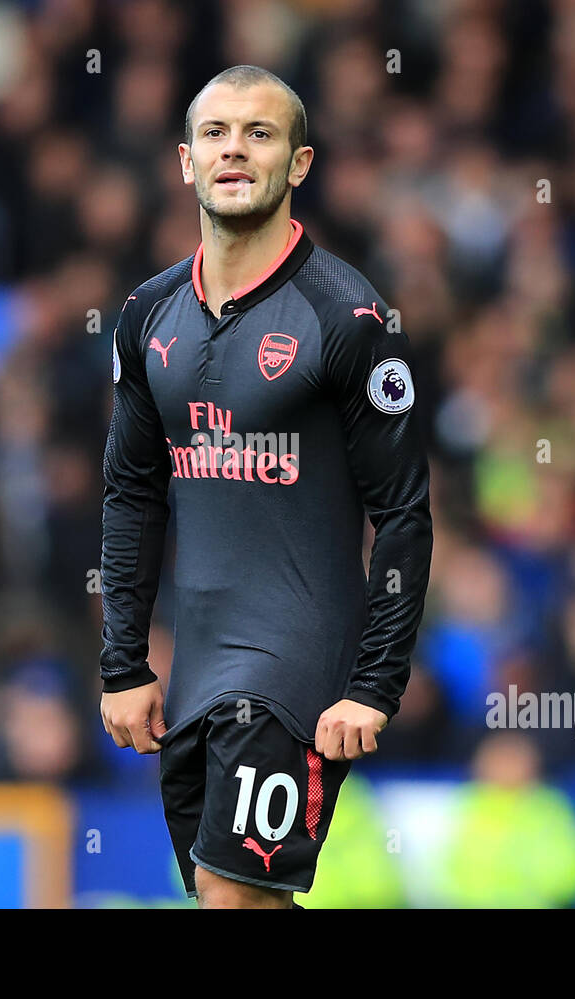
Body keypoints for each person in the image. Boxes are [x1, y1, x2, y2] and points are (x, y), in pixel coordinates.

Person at [98, 65, 433, 908]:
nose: (235, 151)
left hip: (300, 658)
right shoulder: (146, 314)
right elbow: (133, 493)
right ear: (185, 161)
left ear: (300, 163)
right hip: (199, 662)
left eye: (260, 134)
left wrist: (374, 683)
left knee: (232, 891)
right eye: (216, 134)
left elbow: (402, 514)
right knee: (237, 897)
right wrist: (124, 662)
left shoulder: (349, 318)